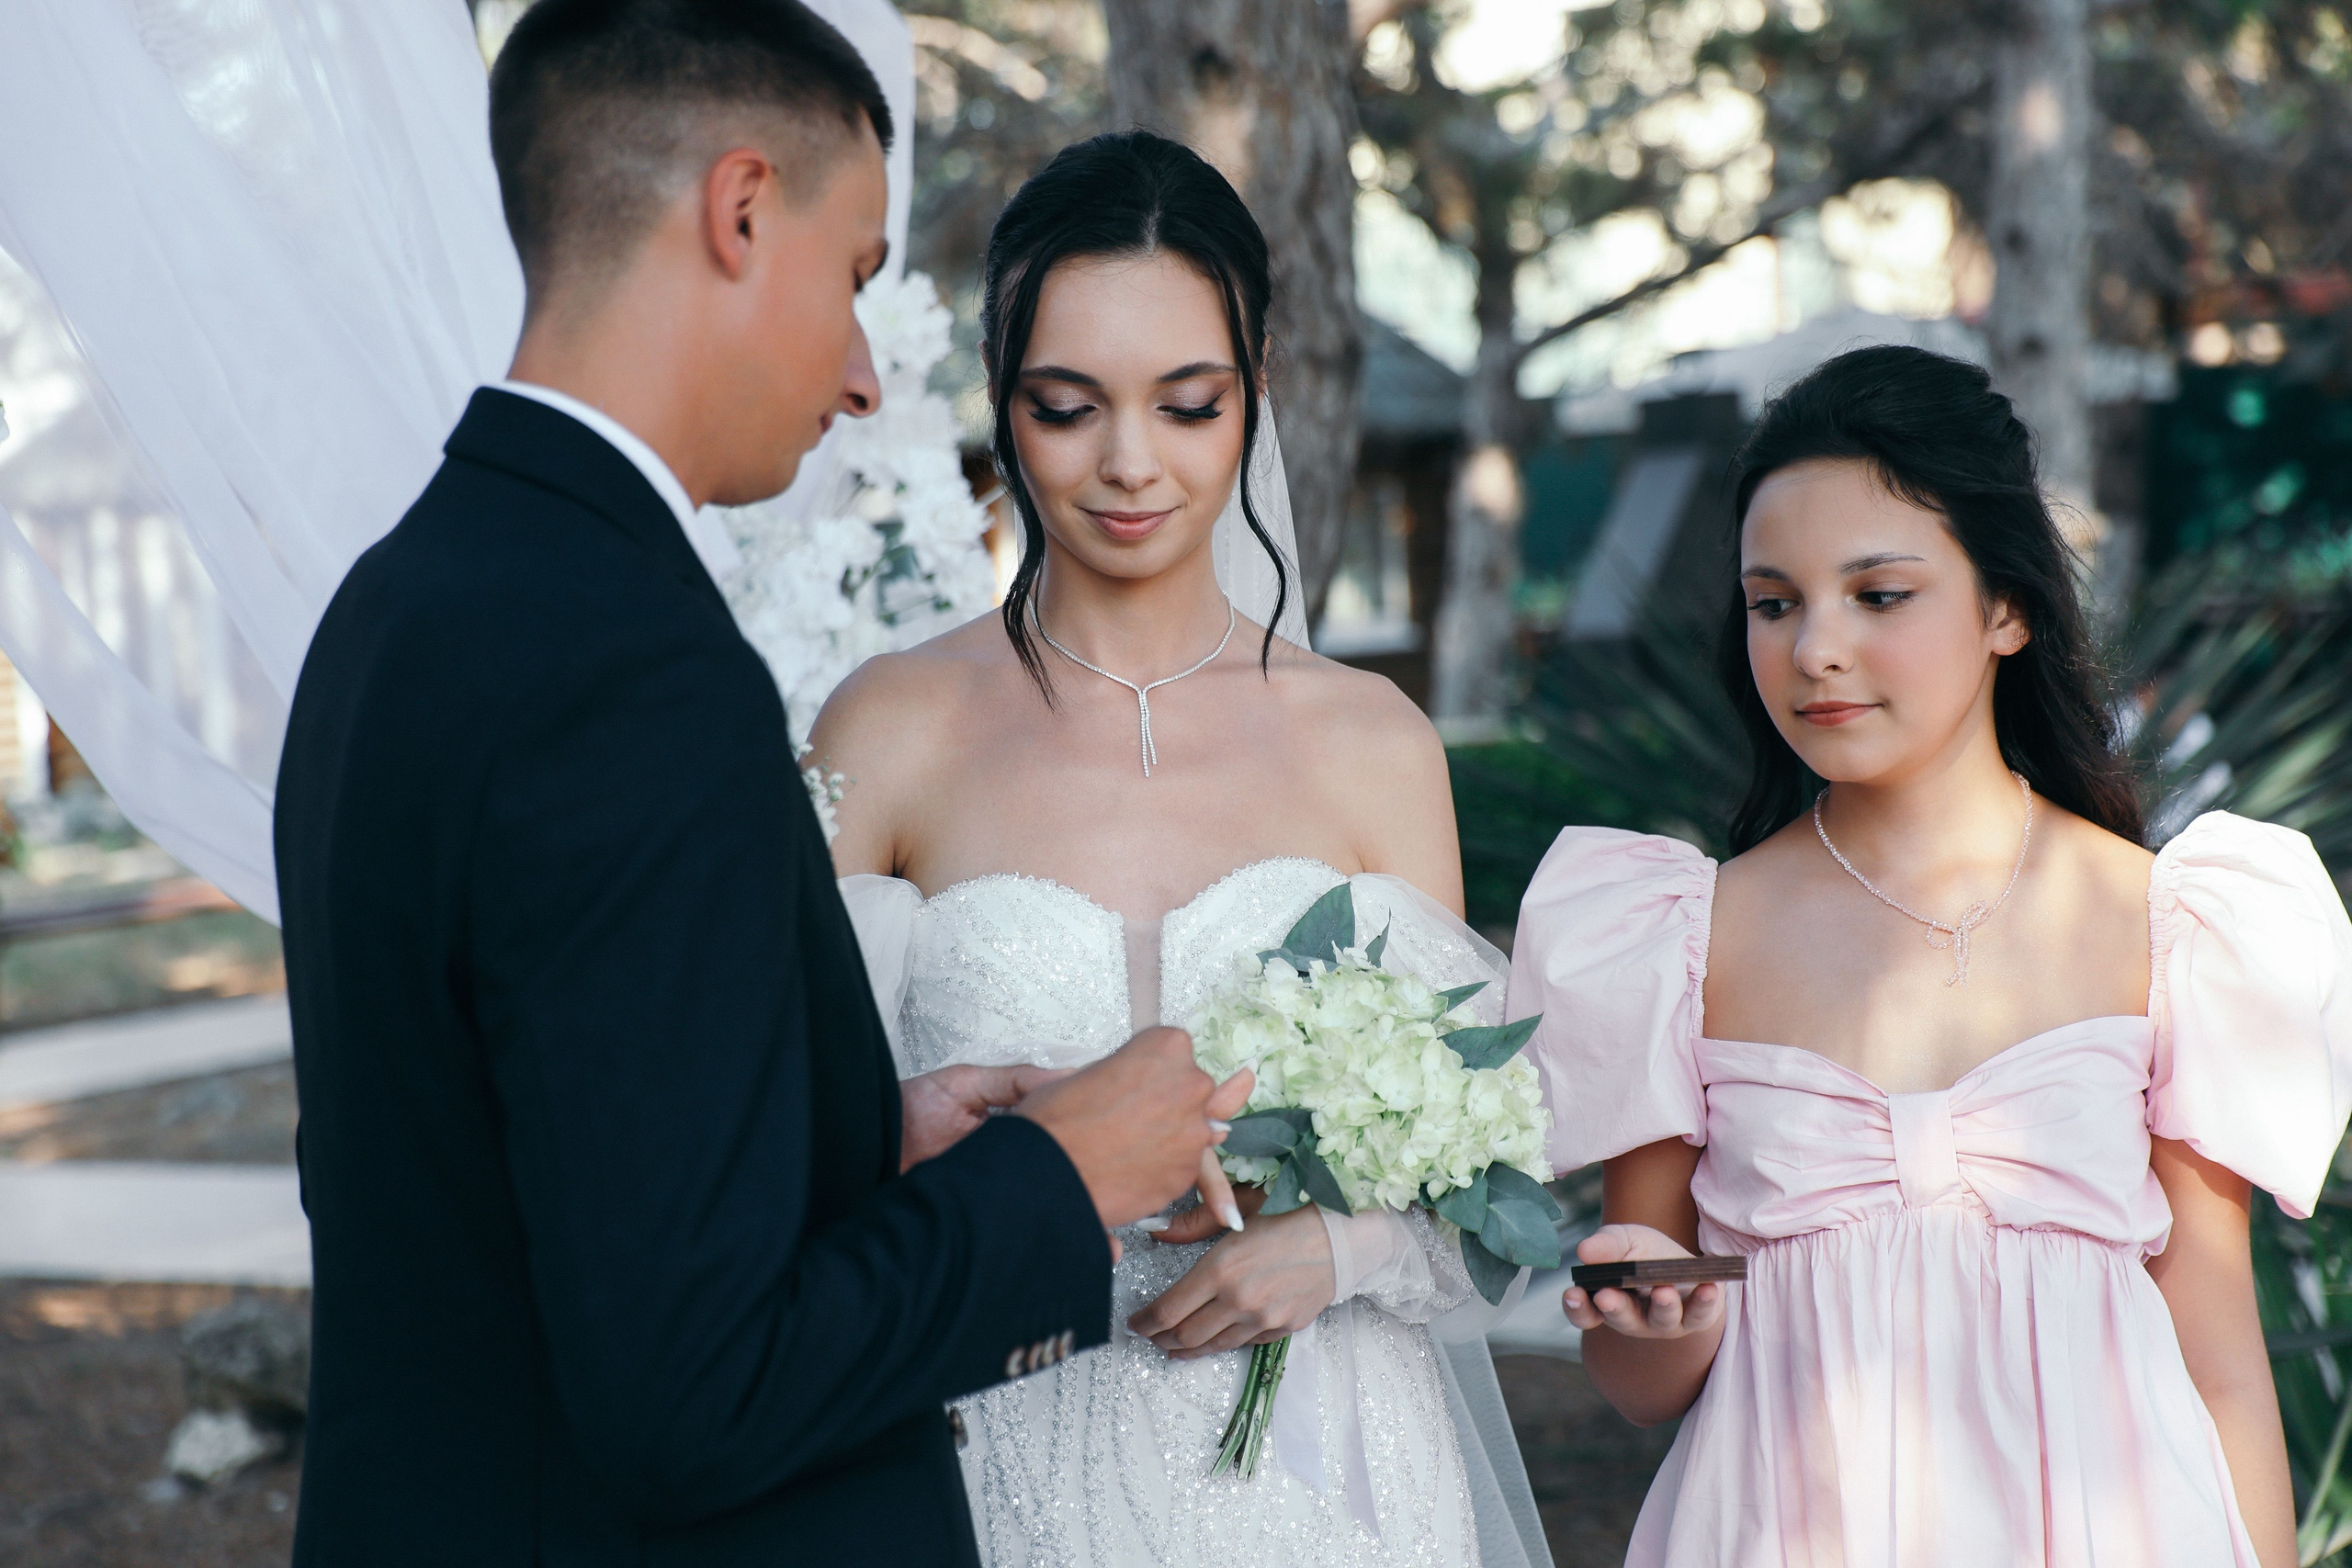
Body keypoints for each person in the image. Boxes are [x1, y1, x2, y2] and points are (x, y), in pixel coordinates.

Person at [273, 6, 1247, 1563]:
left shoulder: (401, 604)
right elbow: (694, 1392)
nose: (862, 377)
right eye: (854, 275)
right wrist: (1056, 1182)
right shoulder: (626, 668)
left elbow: (498, 1161)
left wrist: (855, 1141)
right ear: (740, 211)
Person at [809, 130, 1552, 1568]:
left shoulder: (1372, 743)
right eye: (1066, 407)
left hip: (1340, 1482)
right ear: (1002, 399)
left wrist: (1338, 1247)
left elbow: (1475, 1174)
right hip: (1000, 1467)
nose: (1130, 464)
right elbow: (786, 1146)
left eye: (1188, 404)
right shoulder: (891, 727)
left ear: (1256, 387)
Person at [1509, 344, 2352, 1567]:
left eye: (1880, 595)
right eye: (1774, 602)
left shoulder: (2171, 922)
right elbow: (1647, 1385)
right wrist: (1654, 1307)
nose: (1815, 649)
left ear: (2008, 607)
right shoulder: (1675, 937)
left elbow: (2218, 1351)